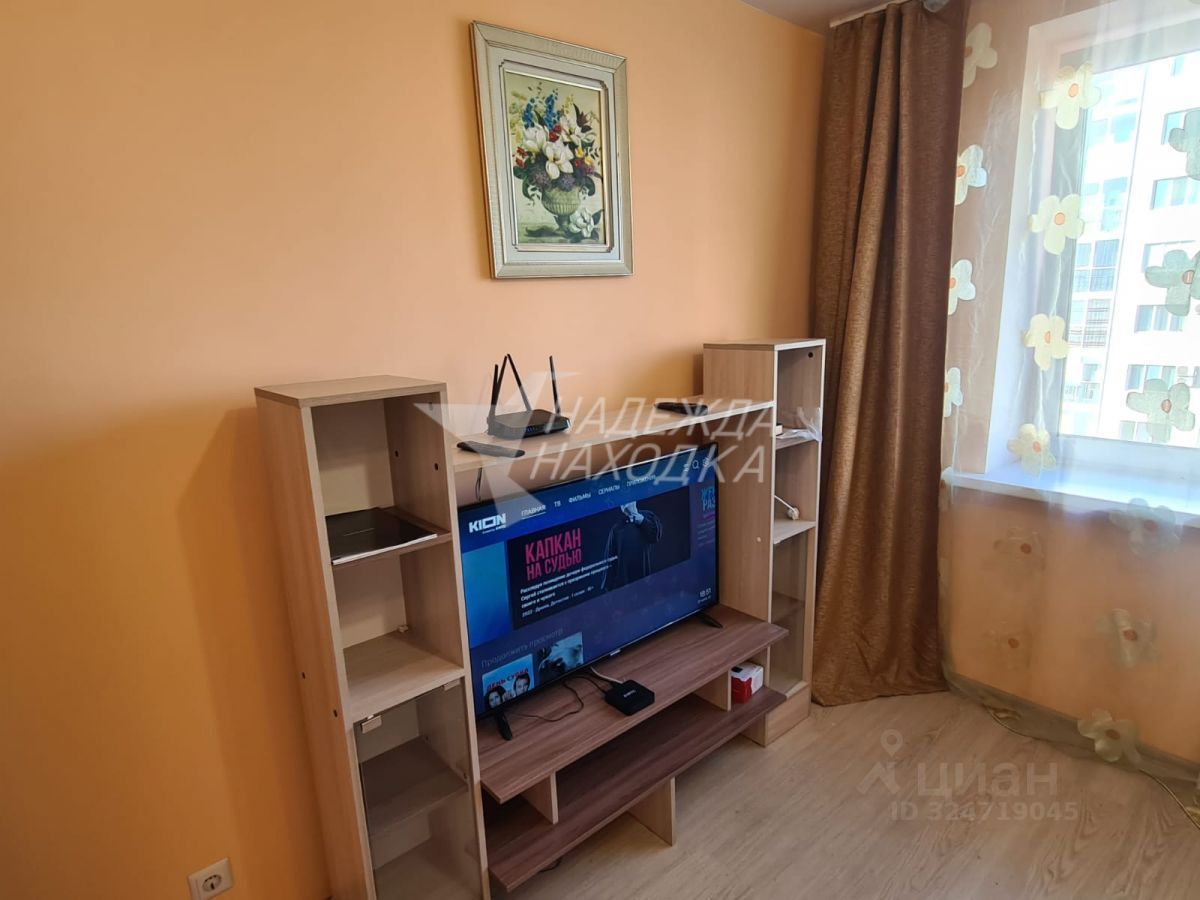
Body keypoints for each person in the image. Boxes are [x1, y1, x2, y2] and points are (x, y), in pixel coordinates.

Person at [600, 501, 662, 590]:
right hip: (625, 586)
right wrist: (608, 588)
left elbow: (656, 535)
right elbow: (609, 560)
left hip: (646, 581)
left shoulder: (648, 516)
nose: (625, 505)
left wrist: (641, 520)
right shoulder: (617, 529)